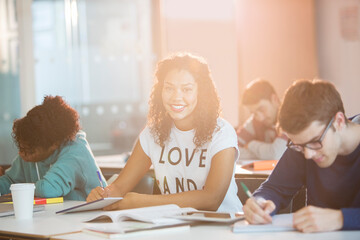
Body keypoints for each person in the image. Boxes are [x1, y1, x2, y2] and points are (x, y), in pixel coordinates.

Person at [87, 52, 242, 213]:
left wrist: (141, 202)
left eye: (187, 89)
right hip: (177, 226)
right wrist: (104, 195)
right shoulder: (152, 134)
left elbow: (211, 199)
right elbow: (119, 187)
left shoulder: (221, 132)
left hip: (223, 227)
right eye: (169, 88)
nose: (176, 97)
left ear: (201, 92)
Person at [243, 79, 360, 232]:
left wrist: (340, 218)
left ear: (338, 121)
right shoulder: (304, 145)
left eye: (315, 142)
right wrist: (259, 203)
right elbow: (274, 188)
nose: (308, 155)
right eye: (298, 145)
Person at [0, 96, 106, 200]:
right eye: (21, 148)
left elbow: (47, 189)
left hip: (91, 214)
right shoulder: (30, 152)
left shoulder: (76, 151)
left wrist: (21, 188)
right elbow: (10, 181)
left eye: (30, 151)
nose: (21, 154)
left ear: (53, 145)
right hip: (54, 214)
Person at [236, 79, 287, 160]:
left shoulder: (290, 118)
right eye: (254, 113)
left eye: (261, 109)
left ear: (275, 99)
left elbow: (276, 154)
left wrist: (251, 145)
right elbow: (232, 150)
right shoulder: (254, 120)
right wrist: (263, 154)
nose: (260, 117)